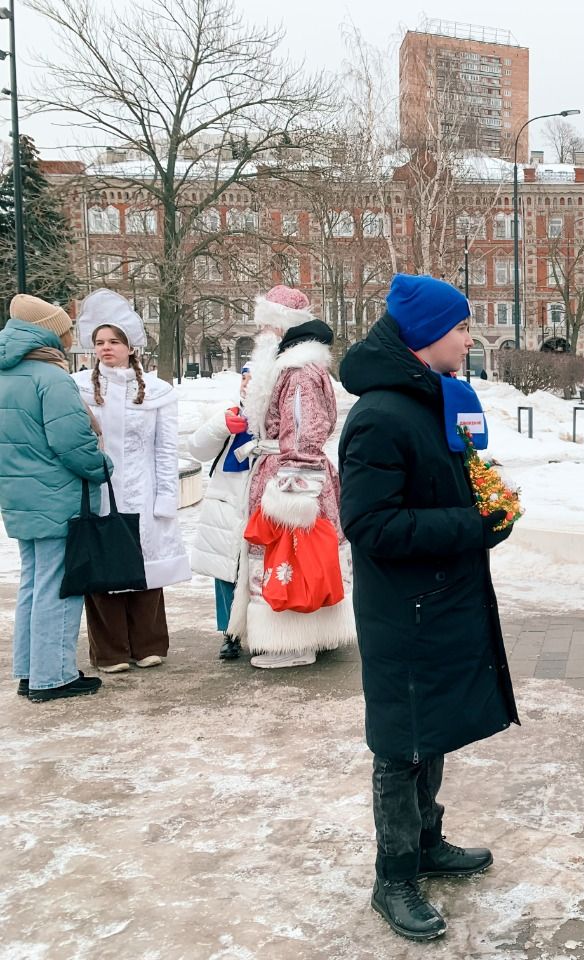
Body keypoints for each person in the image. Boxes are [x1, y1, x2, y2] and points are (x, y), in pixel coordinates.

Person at [338, 274, 518, 943]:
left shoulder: (434, 399)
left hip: (438, 599)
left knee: (431, 728)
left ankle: (427, 842)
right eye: (462, 328)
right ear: (425, 336)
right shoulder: (380, 415)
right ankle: (394, 877)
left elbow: (453, 480)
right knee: (403, 743)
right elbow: (371, 525)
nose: (470, 339)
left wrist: (489, 501)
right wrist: (472, 525)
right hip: (404, 609)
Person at [228, 286, 355, 668]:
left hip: (291, 479)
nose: (261, 331)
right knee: (291, 555)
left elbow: (304, 432)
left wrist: (293, 490)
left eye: (267, 323)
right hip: (282, 472)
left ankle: (296, 641)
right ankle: (299, 635)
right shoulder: (290, 368)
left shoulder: (297, 371)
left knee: (292, 556)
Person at [0, 295, 112, 702]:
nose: (70, 337)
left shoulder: (6, 375)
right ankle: (54, 676)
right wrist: (103, 466)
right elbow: (73, 444)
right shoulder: (51, 379)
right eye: (66, 329)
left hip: (20, 498)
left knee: (33, 583)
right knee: (60, 586)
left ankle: (31, 671)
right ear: (48, 331)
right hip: (57, 499)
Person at [73, 289, 190, 673]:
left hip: (145, 491)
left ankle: (148, 643)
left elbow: (166, 448)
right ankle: (109, 651)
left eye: (114, 342)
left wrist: (165, 499)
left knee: (147, 566)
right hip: (101, 493)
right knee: (104, 565)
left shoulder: (157, 392)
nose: (106, 348)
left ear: (130, 346)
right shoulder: (80, 389)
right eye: (100, 342)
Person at [187, 362, 255, 660]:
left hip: (261, 504)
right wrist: (222, 425)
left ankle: (260, 631)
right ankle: (230, 632)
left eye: (254, 377)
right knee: (226, 569)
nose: (247, 383)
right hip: (226, 503)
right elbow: (197, 449)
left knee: (258, 571)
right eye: (244, 377)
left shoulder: (278, 415)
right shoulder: (228, 412)